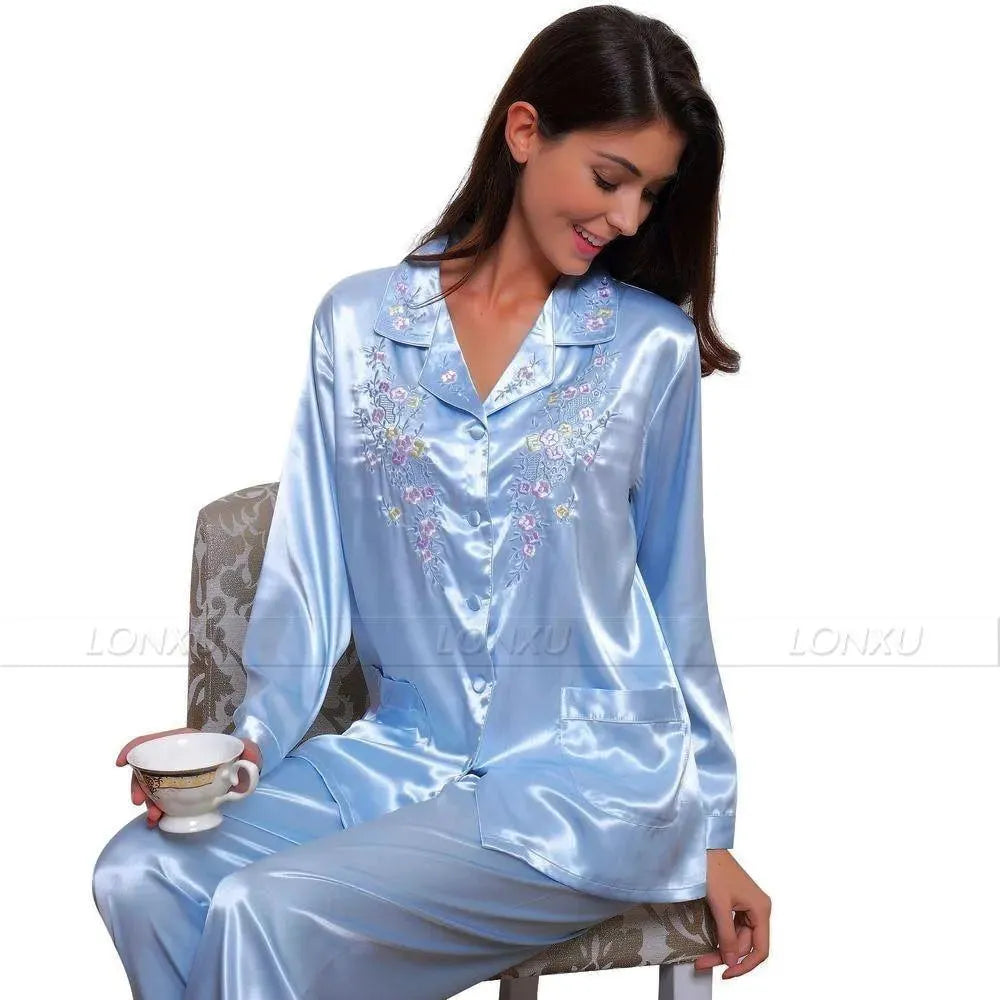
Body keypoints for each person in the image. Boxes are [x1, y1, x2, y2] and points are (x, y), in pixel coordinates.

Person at [92, 6, 771, 997]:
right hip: (400, 758)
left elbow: (677, 601)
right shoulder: (356, 325)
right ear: (525, 131)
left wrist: (712, 830)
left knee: (262, 909)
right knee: (140, 874)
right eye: (609, 178)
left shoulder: (648, 351)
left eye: (649, 195)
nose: (628, 219)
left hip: (585, 788)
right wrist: (237, 753)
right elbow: (310, 573)